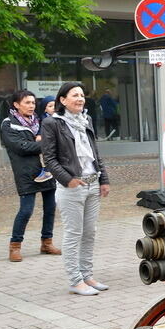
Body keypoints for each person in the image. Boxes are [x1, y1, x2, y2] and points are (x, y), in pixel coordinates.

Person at [40, 82, 110, 295]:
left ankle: (87, 276)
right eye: (75, 95)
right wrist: (67, 179)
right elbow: (49, 158)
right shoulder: (53, 123)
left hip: (93, 182)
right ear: (62, 100)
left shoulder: (86, 119)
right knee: (73, 233)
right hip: (72, 186)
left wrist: (104, 179)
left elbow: (94, 152)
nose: (80, 99)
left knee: (90, 232)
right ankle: (75, 280)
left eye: (82, 95)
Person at [0, 90, 61, 262]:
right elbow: (20, 147)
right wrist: (45, 144)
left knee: (50, 208)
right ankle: (15, 246)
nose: (31, 106)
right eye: (27, 102)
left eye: (33, 103)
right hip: (26, 173)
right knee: (26, 210)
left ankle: (46, 242)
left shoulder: (40, 121)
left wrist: (42, 144)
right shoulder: (8, 124)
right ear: (16, 104)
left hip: (47, 170)